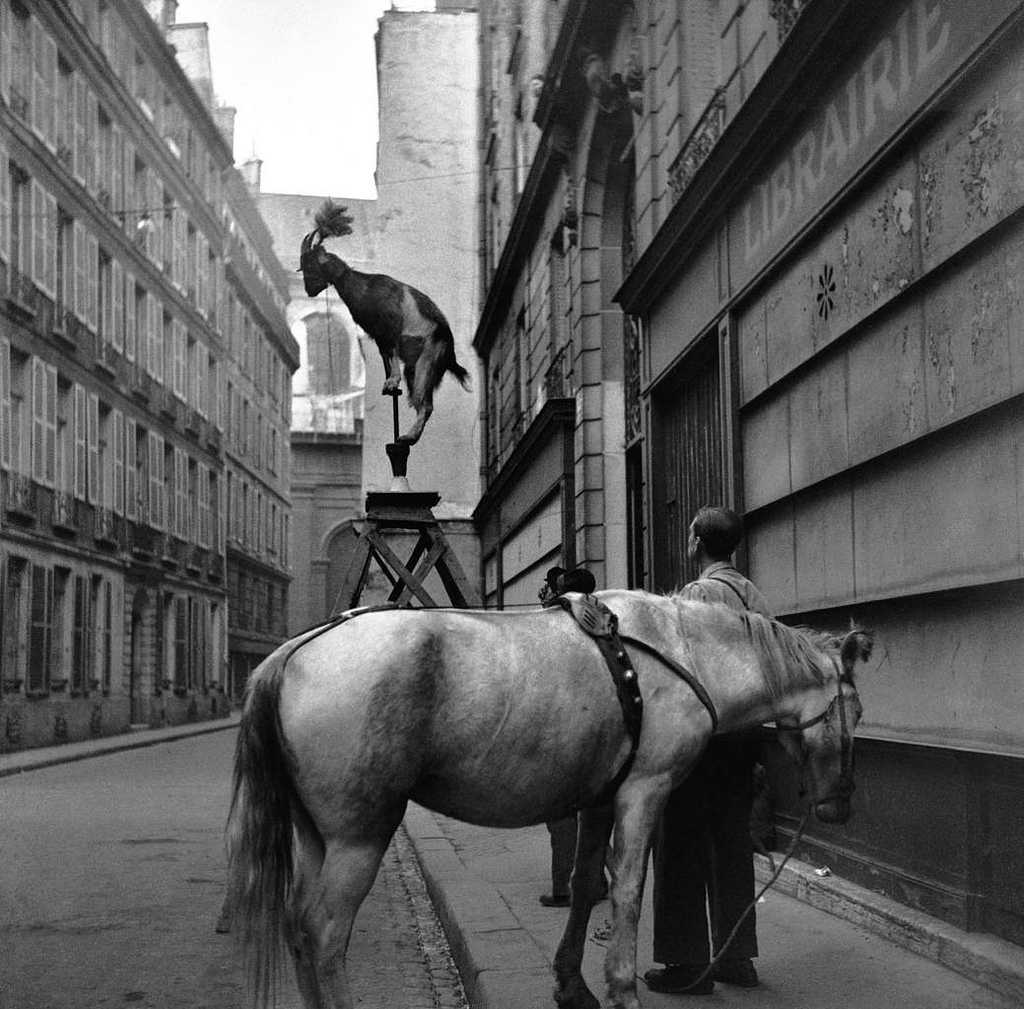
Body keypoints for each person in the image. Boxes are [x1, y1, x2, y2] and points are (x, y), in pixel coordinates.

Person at [644, 505, 772, 994]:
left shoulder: (698, 593)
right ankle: (736, 959)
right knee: (732, 845)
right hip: (745, 735)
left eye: (690, 534)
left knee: (678, 843)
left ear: (696, 541)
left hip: (705, 735)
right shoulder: (754, 593)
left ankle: (686, 964)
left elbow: (688, 667)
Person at [537, 564, 602, 908]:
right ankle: (596, 880)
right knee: (593, 811)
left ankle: (565, 887)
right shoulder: (601, 617)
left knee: (561, 814)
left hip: (562, 728)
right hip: (597, 726)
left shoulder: (557, 620)